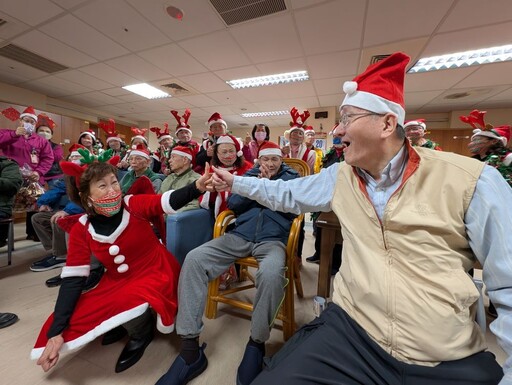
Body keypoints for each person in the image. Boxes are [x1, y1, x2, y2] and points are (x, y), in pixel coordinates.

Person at [211, 52, 509, 385]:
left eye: (348, 117)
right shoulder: (339, 176)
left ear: (386, 123)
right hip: (353, 332)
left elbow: (508, 284)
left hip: (443, 354)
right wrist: (235, 181)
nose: (337, 130)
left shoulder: (473, 181)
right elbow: (287, 195)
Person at [32, 149, 212, 374]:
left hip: (155, 269)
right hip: (117, 279)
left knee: (129, 298)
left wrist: (197, 187)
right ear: (87, 195)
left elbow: (166, 201)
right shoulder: (82, 228)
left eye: (114, 182)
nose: (113, 189)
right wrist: (56, 332)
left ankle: (141, 333)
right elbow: (73, 280)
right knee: (81, 309)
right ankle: (122, 323)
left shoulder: (132, 204)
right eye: (103, 185)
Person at [155, 141, 300, 385]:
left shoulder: (292, 178)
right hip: (239, 237)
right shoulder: (248, 176)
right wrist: (255, 185)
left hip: (272, 241)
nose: (270, 164)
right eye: (265, 159)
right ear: (259, 161)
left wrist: (268, 187)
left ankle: (256, 343)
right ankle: (190, 349)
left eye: (275, 159)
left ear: (281, 160)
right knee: (195, 259)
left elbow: (294, 209)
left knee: (272, 273)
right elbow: (233, 205)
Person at [1, 106, 54, 241]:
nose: (29, 124)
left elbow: (48, 158)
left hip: (33, 178)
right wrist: (15, 135)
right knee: (6, 205)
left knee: (35, 206)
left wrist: (39, 172)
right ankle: (2, 237)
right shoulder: (8, 133)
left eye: (32, 122)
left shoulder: (41, 141)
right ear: (20, 121)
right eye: (26, 120)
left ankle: (33, 233)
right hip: (11, 176)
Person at [306, 126, 344, 274]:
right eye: (334, 136)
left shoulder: (349, 153)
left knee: (337, 232)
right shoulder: (330, 154)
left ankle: (335, 263)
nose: (337, 138)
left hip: (341, 197)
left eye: (340, 136)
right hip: (324, 194)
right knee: (319, 227)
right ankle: (318, 254)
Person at [462, 109, 512, 187]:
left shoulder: (508, 158)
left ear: (494, 141)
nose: (471, 144)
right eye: (472, 141)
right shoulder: (475, 161)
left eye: (477, 140)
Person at [159, 146, 201, 213]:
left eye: (173, 157)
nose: (169, 160)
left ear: (185, 160)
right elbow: (158, 198)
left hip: (178, 220)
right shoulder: (169, 178)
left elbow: (194, 205)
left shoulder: (196, 180)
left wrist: (169, 214)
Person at [281, 108, 316, 174]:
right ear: (289, 135)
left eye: (300, 134)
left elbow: (309, 173)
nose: (298, 135)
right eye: (295, 132)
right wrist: (282, 154)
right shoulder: (281, 152)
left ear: (303, 138)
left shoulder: (310, 154)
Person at [36, 114, 64, 188]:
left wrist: (45, 145)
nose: (44, 133)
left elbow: (56, 157)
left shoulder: (57, 147)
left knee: (59, 193)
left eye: (47, 132)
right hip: (36, 174)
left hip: (53, 175)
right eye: (41, 131)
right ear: (36, 133)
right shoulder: (32, 145)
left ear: (51, 135)